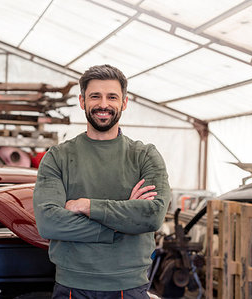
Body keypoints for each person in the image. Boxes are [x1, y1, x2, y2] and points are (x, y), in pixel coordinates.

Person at [33, 64, 170, 298]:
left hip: (128, 287)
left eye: (112, 97)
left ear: (124, 103)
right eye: (95, 96)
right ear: (82, 101)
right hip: (72, 287)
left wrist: (87, 206)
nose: (103, 104)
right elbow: (49, 222)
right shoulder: (58, 157)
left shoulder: (144, 155)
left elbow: (153, 215)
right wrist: (122, 223)